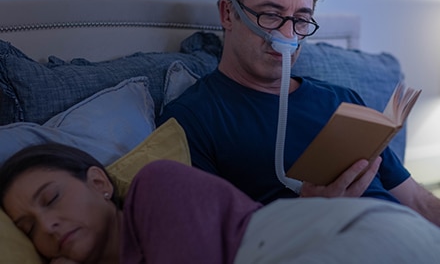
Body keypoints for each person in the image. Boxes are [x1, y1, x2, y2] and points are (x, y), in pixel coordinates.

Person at [157, 0, 440, 226]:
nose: (288, 35)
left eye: (301, 20)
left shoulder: (341, 101)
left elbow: (417, 201)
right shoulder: (190, 120)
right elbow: (211, 240)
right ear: (228, 13)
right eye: (270, 15)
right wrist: (308, 214)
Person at [0, 143, 440, 264]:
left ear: (99, 182)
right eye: (28, 228)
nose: (48, 227)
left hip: (352, 234)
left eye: (51, 199)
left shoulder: (157, 188)